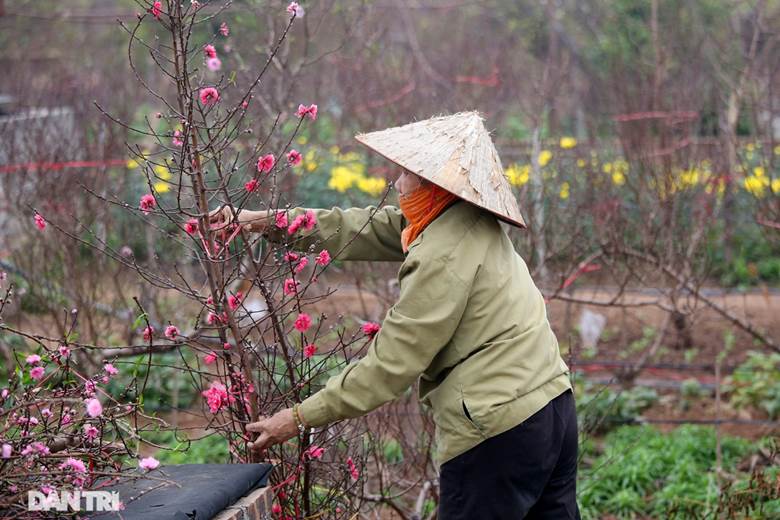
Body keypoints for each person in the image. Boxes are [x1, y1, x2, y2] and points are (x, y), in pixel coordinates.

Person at [208, 112, 581, 519]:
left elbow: (390, 365)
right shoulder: (462, 218)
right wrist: (262, 221)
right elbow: (360, 227)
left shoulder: (442, 255)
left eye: (405, 174)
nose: (398, 184)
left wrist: (296, 418)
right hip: (553, 407)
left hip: (499, 429)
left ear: (434, 185)